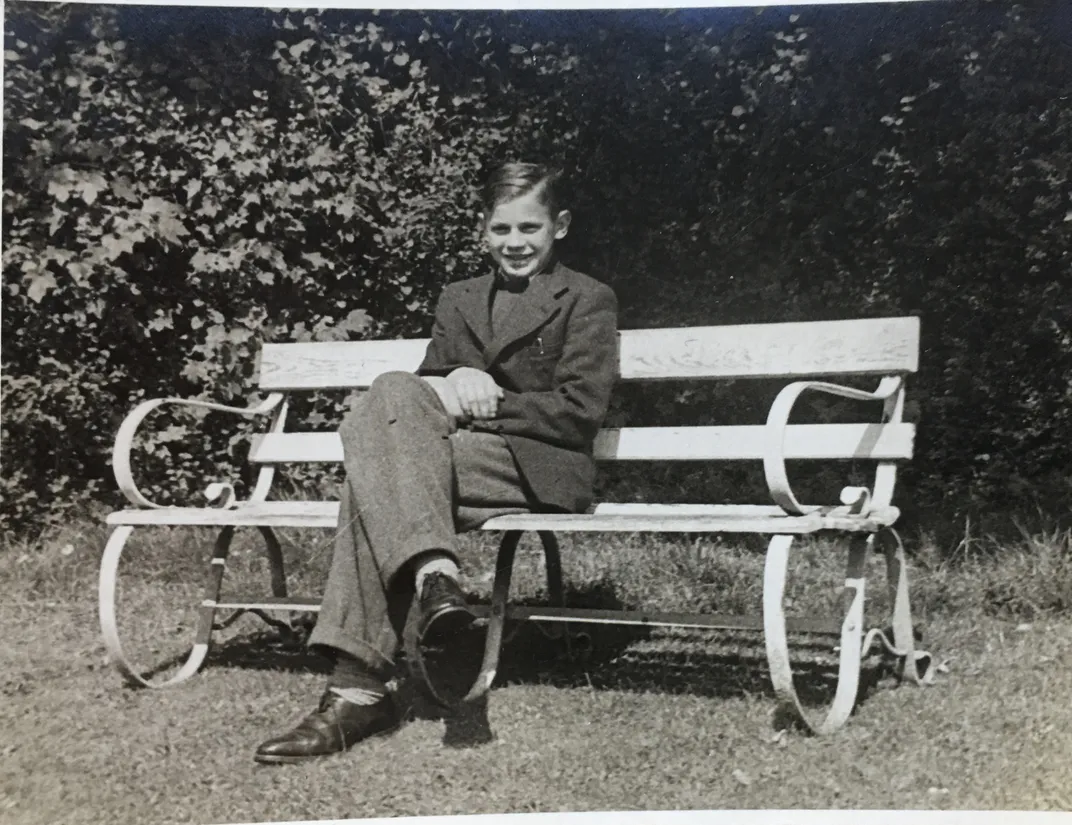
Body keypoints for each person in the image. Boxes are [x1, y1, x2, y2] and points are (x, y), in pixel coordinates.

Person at [254, 162, 619, 764]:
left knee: (374, 479)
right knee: (393, 391)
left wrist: (486, 399)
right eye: (501, 229)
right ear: (482, 232)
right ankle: (434, 578)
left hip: (535, 464)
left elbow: (579, 413)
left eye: (530, 227)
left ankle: (357, 692)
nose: (515, 242)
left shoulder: (587, 298)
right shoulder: (461, 298)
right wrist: (456, 374)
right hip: (452, 458)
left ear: (560, 226)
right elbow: (417, 398)